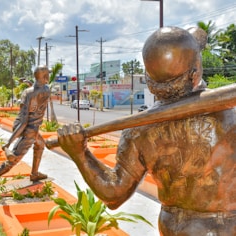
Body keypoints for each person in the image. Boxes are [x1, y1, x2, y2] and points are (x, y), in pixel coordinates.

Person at [57, 26, 236, 235]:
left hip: (173, 228)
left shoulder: (138, 130)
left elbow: (113, 194)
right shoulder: (230, 116)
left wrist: (80, 153)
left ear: (149, 82)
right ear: (195, 74)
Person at [0, 65, 51, 195]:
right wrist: (10, 141)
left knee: (40, 144)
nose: (48, 77)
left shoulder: (29, 93)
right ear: (44, 77)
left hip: (26, 126)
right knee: (12, 160)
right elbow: (24, 122)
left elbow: (25, 117)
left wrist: (8, 142)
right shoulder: (47, 90)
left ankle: (34, 174)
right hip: (28, 129)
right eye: (47, 74)